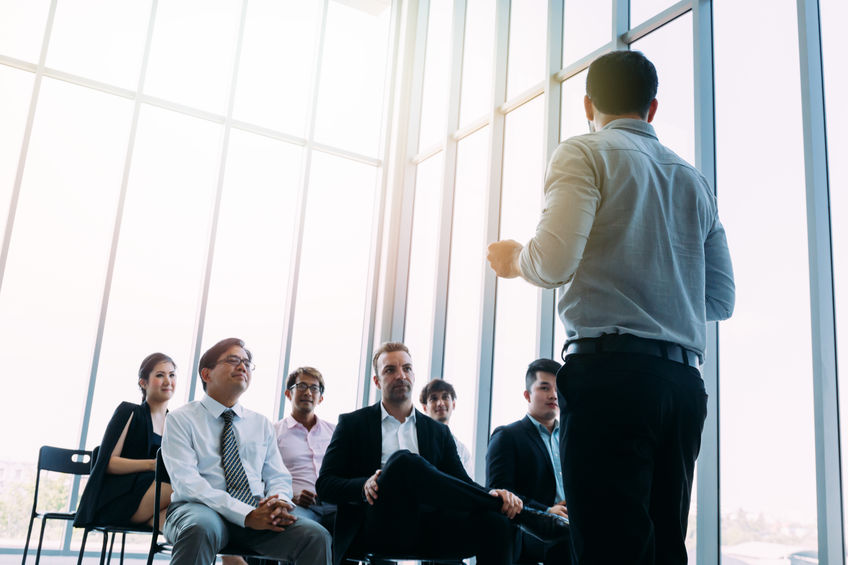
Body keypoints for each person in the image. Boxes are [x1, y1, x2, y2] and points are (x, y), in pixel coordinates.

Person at [487, 50, 735, 564]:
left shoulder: (584, 153)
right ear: (653, 108)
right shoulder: (694, 181)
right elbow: (720, 299)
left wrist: (514, 260)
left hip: (611, 379)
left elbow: (553, 262)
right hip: (684, 387)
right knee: (664, 546)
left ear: (587, 104)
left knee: (605, 547)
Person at [316, 342, 567, 565]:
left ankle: (501, 506)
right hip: (378, 524)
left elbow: (460, 485)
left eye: (407, 368)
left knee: (497, 522)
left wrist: (492, 495)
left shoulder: (438, 432)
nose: (400, 375)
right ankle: (520, 514)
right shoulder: (353, 424)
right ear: (377, 381)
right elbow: (325, 485)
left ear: (414, 374)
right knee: (403, 462)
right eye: (390, 370)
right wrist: (363, 486)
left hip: (433, 526)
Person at [161, 337, 331, 565]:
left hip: (256, 511)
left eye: (247, 362)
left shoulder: (260, 424)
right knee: (199, 528)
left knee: (315, 536)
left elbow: (278, 477)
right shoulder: (180, 419)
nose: (242, 366)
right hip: (198, 509)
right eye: (233, 360)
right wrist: (245, 514)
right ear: (206, 374)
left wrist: (279, 501)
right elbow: (188, 484)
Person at [75, 353, 176, 529]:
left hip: (153, 497)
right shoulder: (129, 411)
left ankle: (231, 557)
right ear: (143, 383)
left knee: (186, 523)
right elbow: (108, 463)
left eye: (172, 375)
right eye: (160, 375)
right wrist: (152, 465)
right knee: (187, 489)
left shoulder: (175, 423)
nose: (168, 381)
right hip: (119, 498)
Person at [486, 359, 571, 565]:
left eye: (557, 389)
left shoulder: (570, 438)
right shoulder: (507, 435)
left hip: (571, 524)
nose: (553, 395)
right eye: (544, 388)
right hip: (530, 530)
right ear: (527, 395)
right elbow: (500, 492)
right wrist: (546, 510)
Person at [274, 366, 337, 531]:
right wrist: (291, 497)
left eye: (314, 388)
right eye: (301, 386)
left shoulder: (336, 432)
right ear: (289, 394)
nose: (308, 392)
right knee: (299, 528)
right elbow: (265, 477)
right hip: (298, 507)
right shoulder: (274, 433)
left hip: (335, 507)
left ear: (320, 398)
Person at [419, 378, 473, 478]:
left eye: (445, 397)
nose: (440, 403)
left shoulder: (463, 451)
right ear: (425, 408)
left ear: (453, 404)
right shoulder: (416, 438)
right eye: (434, 399)